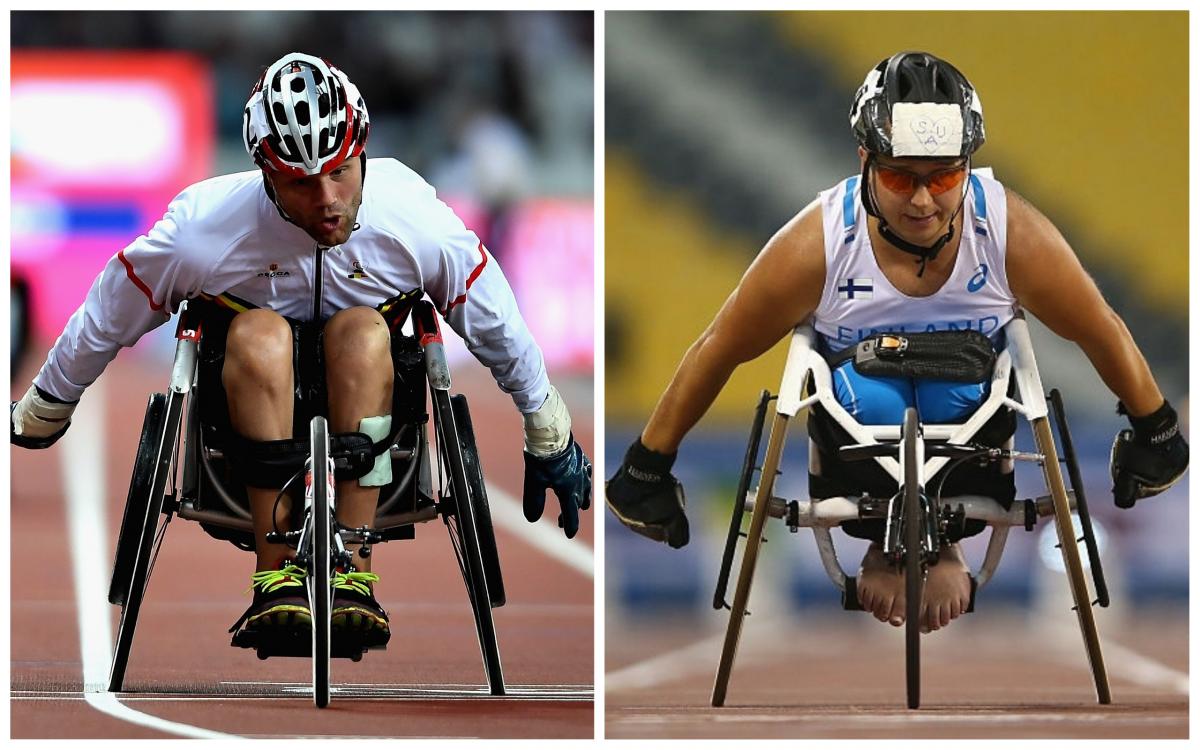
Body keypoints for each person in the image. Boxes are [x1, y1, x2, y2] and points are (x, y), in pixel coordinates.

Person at [11, 52, 592, 649]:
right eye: (300, 182)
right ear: (266, 175)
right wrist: (52, 398)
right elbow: (109, 310)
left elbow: (495, 322)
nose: (327, 199)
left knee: (363, 332)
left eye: (340, 172)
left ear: (363, 152)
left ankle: (355, 573)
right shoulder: (203, 229)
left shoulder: (417, 223)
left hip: (375, 390)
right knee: (260, 334)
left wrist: (546, 423)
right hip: (245, 398)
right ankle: (275, 572)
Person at [606, 51, 1187, 633]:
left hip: (975, 441)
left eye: (944, 177)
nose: (922, 201)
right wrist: (646, 465)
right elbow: (721, 345)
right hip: (854, 442)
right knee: (874, 392)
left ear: (966, 166)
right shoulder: (820, 241)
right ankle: (887, 545)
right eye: (899, 177)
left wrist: (1155, 428)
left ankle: (944, 545)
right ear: (865, 160)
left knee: (964, 391)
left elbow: (1097, 324)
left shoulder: (1007, 230)